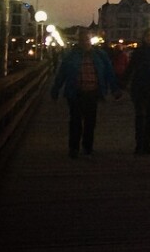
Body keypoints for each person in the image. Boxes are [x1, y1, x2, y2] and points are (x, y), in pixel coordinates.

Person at [50, 29, 122, 158]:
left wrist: (115, 89)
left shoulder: (100, 55)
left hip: (92, 92)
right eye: (82, 40)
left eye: (87, 40)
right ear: (79, 41)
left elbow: (109, 72)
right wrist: (55, 89)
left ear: (90, 40)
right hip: (75, 92)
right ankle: (74, 148)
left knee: (90, 122)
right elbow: (62, 74)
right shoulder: (70, 55)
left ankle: (87, 147)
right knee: (75, 122)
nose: (85, 42)